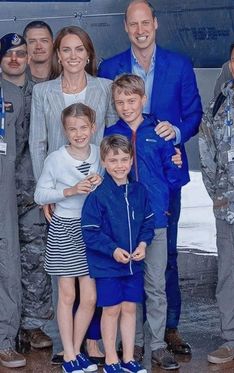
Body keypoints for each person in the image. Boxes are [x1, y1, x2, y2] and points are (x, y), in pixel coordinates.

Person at [98, 0, 202, 358]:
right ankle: (115, 340)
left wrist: (174, 135)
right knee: (120, 267)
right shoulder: (110, 67)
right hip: (121, 192)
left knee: (164, 259)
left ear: (155, 24)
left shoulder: (179, 64)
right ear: (125, 27)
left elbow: (193, 114)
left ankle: (165, 332)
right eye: (133, 24)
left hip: (161, 184)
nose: (140, 30)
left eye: (146, 23)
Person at [29, 25, 117, 363]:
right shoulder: (43, 92)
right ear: (57, 55)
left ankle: (91, 340)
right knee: (64, 278)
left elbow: (110, 138)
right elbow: (38, 143)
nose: (73, 56)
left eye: (79, 49)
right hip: (61, 196)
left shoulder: (105, 88)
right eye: (66, 50)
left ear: (89, 53)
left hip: (95, 196)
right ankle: (65, 345)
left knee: (94, 273)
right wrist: (48, 193)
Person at [105, 74, 182, 370]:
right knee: (129, 284)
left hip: (156, 222)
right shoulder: (112, 133)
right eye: (120, 101)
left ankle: (158, 344)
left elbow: (172, 175)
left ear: (143, 99)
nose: (126, 106)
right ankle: (133, 341)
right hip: (124, 224)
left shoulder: (158, 131)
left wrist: (175, 166)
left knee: (155, 285)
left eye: (131, 100)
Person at [34, 102, 102, 373]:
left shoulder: (99, 153)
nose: (78, 133)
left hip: (92, 230)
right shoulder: (56, 159)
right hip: (65, 229)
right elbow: (40, 195)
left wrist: (101, 183)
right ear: (64, 131)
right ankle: (70, 355)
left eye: (83, 127)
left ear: (93, 128)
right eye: (72, 129)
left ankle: (74, 350)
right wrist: (69, 191)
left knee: (89, 297)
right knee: (66, 294)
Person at [82, 134, 154, 373]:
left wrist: (143, 245)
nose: (120, 165)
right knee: (111, 309)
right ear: (103, 162)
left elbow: (148, 224)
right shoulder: (97, 195)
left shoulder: (139, 191)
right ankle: (111, 358)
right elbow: (90, 233)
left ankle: (129, 359)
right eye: (113, 160)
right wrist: (112, 250)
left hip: (133, 265)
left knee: (130, 308)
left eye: (124, 159)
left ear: (132, 160)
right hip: (108, 266)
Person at [0, 32, 53, 352]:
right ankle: (8, 324)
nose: (16, 58)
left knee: (36, 258)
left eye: (21, 53)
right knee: (6, 261)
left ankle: (32, 324)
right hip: (5, 192)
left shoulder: (44, 93)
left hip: (35, 192)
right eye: (10, 54)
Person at [199, 40, 234, 365]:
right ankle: (231, 339)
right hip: (229, 210)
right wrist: (218, 194)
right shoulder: (221, 101)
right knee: (228, 275)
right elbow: (206, 149)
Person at [0, 76, 25, 368]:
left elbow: (17, 146)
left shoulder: (12, 95)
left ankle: (5, 340)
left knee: (8, 266)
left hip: (4, 192)